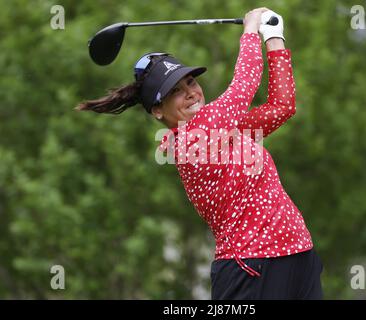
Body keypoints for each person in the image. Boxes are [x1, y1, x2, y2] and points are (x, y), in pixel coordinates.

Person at [77, 7, 323, 300]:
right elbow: (242, 88)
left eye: (190, 82)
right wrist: (250, 30)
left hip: (299, 255)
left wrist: (274, 37)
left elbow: (282, 107)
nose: (191, 92)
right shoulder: (192, 141)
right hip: (251, 268)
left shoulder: (224, 130)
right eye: (174, 92)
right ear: (157, 111)